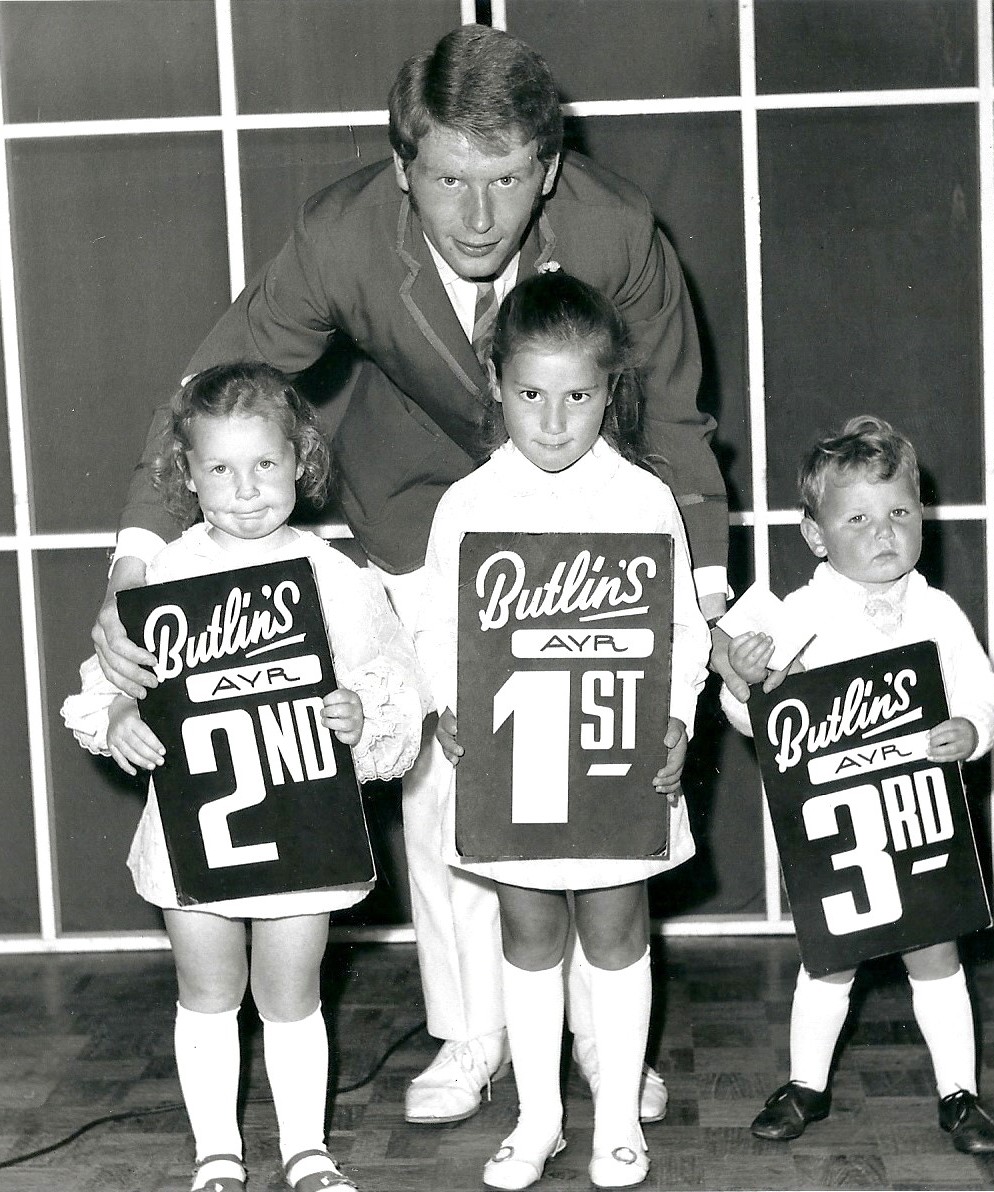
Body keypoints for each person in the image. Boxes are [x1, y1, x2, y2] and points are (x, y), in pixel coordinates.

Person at [89, 25, 731, 1126]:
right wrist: (135, 562)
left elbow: (673, 413)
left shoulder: (620, 232)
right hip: (423, 512)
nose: (478, 218)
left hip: (588, 506)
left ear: (551, 165)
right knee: (441, 781)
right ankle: (469, 1033)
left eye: (506, 180)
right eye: (446, 179)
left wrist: (701, 603)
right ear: (401, 170)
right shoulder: (340, 238)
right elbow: (211, 384)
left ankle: (600, 1045)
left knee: (602, 772)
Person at [62, 363, 431, 1192]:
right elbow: (101, 685)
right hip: (196, 831)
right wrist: (119, 719)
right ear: (185, 477)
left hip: (302, 825)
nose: (245, 488)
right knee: (207, 991)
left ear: (301, 460)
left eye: (264, 464)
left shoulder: (335, 577)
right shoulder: (160, 580)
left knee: (293, 993)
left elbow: (393, 683)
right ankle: (217, 1155)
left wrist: (361, 720)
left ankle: (307, 1150)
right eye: (220, 469)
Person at [415, 272, 710, 1190]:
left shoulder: (641, 499)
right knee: (529, 933)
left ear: (609, 393)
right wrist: (442, 703)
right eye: (530, 396)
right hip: (515, 756)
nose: (551, 421)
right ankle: (537, 1116)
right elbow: (434, 625)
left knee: (618, 930)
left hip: (614, 750)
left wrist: (675, 716)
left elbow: (680, 629)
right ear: (495, 385)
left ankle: (617, 1118)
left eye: (576, 397)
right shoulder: (467, 504)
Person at [719, 415, 994, 1156]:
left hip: (918, 810)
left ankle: (958, 1090)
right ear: (814, 536)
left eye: (899, 513)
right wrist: (747, 683)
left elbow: (982, 688)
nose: (884, 533)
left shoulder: (937, 611)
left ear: (921, 518)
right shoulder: (799, 615)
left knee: (936, 955)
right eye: (858, 518)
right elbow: (756, 721)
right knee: (829, 959)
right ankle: (805, 1084)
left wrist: (970, 729)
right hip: (837, 820)